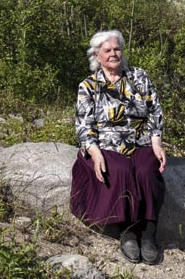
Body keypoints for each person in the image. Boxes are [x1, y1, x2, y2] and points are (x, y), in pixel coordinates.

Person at [70, 30, 167, 264]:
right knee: (120, 171)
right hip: (107, 144)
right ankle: (127, 232)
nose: (114, 54)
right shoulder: (89, 86)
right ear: (97, 55)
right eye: (108, 50)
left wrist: (156, 142)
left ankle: (148, 234)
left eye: (117, 49)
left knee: (146, 170)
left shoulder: (139, 77)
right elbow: (84, 123)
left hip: (140, 140)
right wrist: (94, 152)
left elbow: (155, 110)